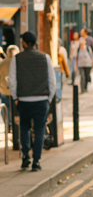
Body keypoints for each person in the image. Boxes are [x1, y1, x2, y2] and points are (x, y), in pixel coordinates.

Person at [8, 31, 56, 172]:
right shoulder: (45, 58)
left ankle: (25, 158)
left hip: (24, 100)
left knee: (24, 129)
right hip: (41, 99)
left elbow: (12, 81)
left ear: (24, 43)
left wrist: (15, 97)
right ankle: (36, 161)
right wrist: (49, 98)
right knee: (40, 130)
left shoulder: (16, 59)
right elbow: (51, 81)